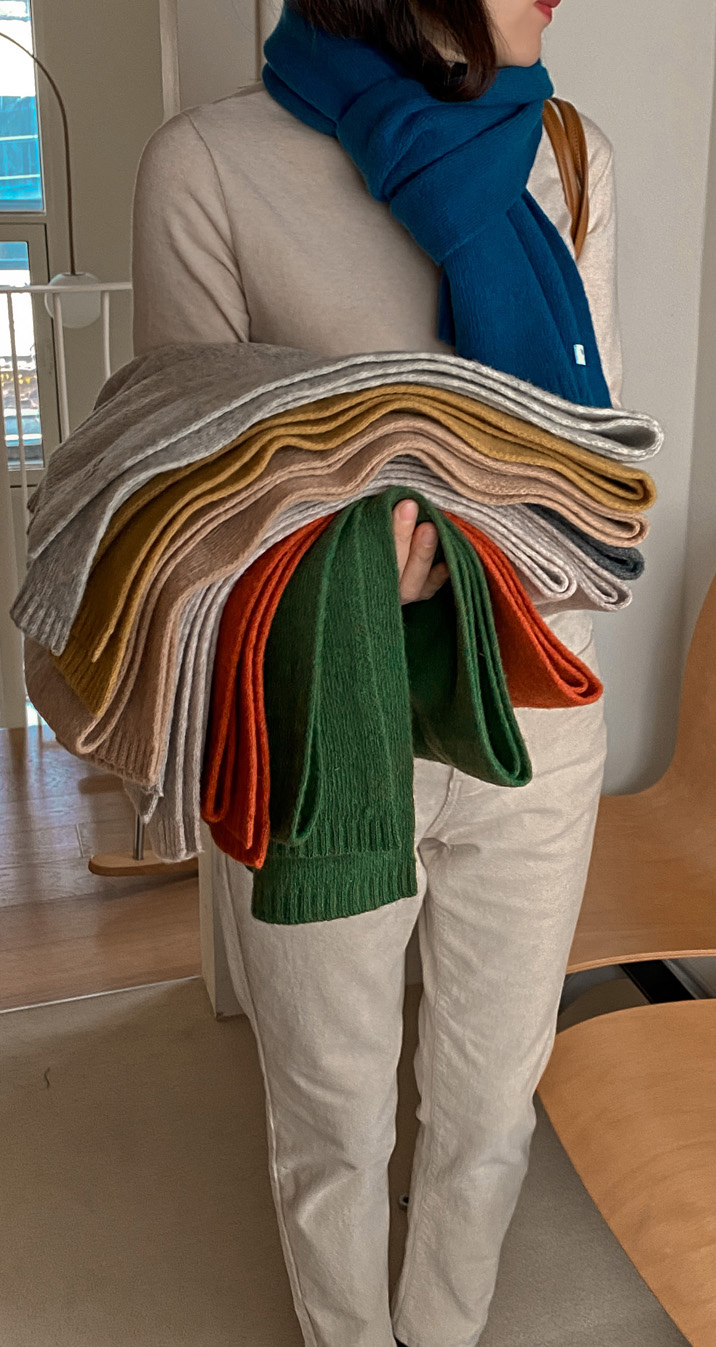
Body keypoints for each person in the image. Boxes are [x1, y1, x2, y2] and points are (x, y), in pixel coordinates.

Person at [130, 4, 625, 1346]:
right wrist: (355, 549)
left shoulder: (567, 154)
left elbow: (599, 468)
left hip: (534, 706)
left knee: (488, 1107)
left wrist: (482, 528)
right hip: (321, 716)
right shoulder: (208, 164)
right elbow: (184, 503)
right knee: (332, 1117)